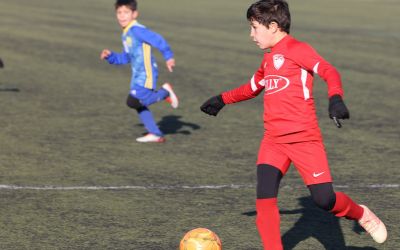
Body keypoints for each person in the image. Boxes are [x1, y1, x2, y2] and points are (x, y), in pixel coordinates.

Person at [200, 0, 387, 249]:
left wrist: (335, 98)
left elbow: (329, 71)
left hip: (304, 140)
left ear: (274, 26)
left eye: (254, 27)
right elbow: (252, 88)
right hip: (273, 142)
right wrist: (222, 99)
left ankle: (360, 213)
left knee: (324, 200)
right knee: (265, 198)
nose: (251, 35)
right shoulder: (268, 61)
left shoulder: (298, 49)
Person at [101, 0, 178, 143]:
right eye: (119, 12)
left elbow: (157, 39)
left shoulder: (137, 30)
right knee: (137, 103)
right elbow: (126, 57)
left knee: (133, 101)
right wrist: (110, 56)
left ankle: (165, 92)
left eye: (126, 12)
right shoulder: (126, 33)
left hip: (146, 74)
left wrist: (168, 56)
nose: (122, 16)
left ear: (134, 14)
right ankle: (155, 133)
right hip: (137, 75)